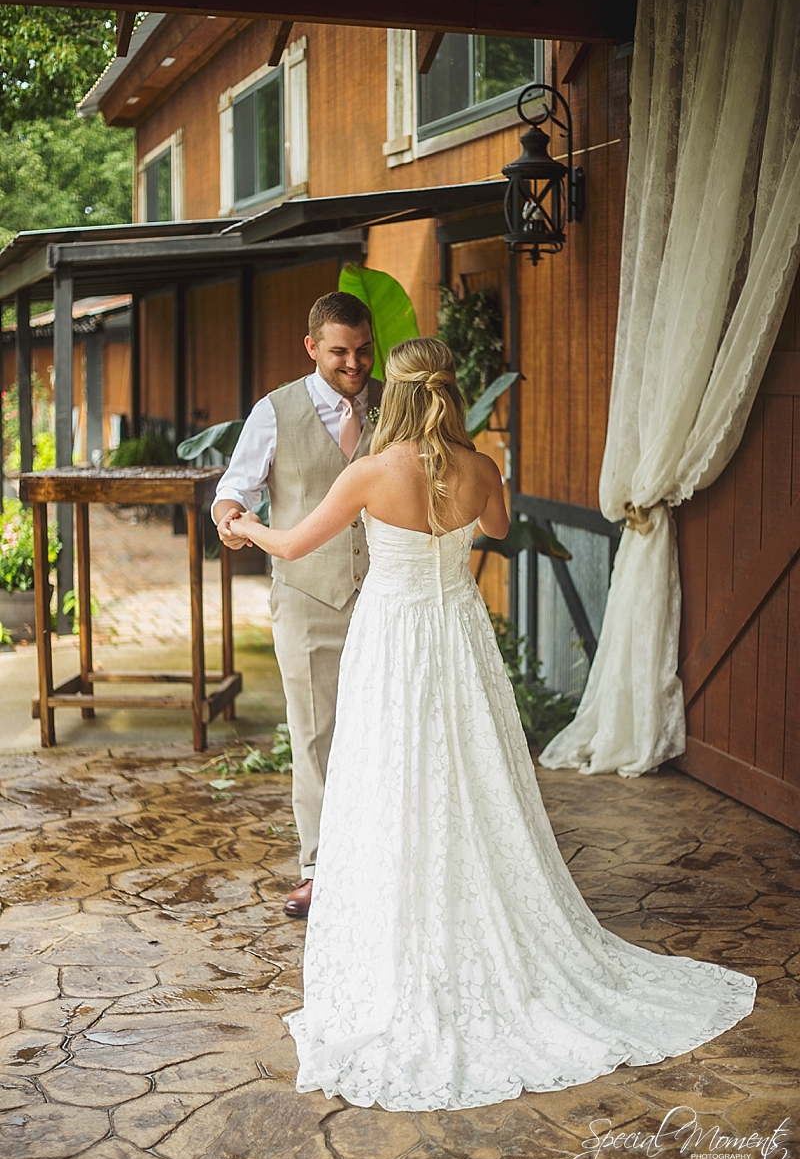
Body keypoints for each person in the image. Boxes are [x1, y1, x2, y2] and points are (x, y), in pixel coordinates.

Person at [228, 337, 756, 1112]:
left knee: (394, 775)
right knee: (471, 775)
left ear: (396, 396)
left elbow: (297, 543)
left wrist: (244, 525)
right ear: (451, 392)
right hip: (459, 640)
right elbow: (502, 531)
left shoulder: (370, 473)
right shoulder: (479, 470)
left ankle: (404, 928)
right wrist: (470, 481)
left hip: (395, 642)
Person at [213, 292, 381, 918]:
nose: (355, 364)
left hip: (388, 599)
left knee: (391, 732)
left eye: (363, 350)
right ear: (312, 347)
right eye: (340, 352)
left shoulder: (395, 404)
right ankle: (318, 867)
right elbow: (237, 487)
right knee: (315, 735)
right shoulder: (275, 410)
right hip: (308, 597)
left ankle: (384, 860)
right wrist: (230, 515)